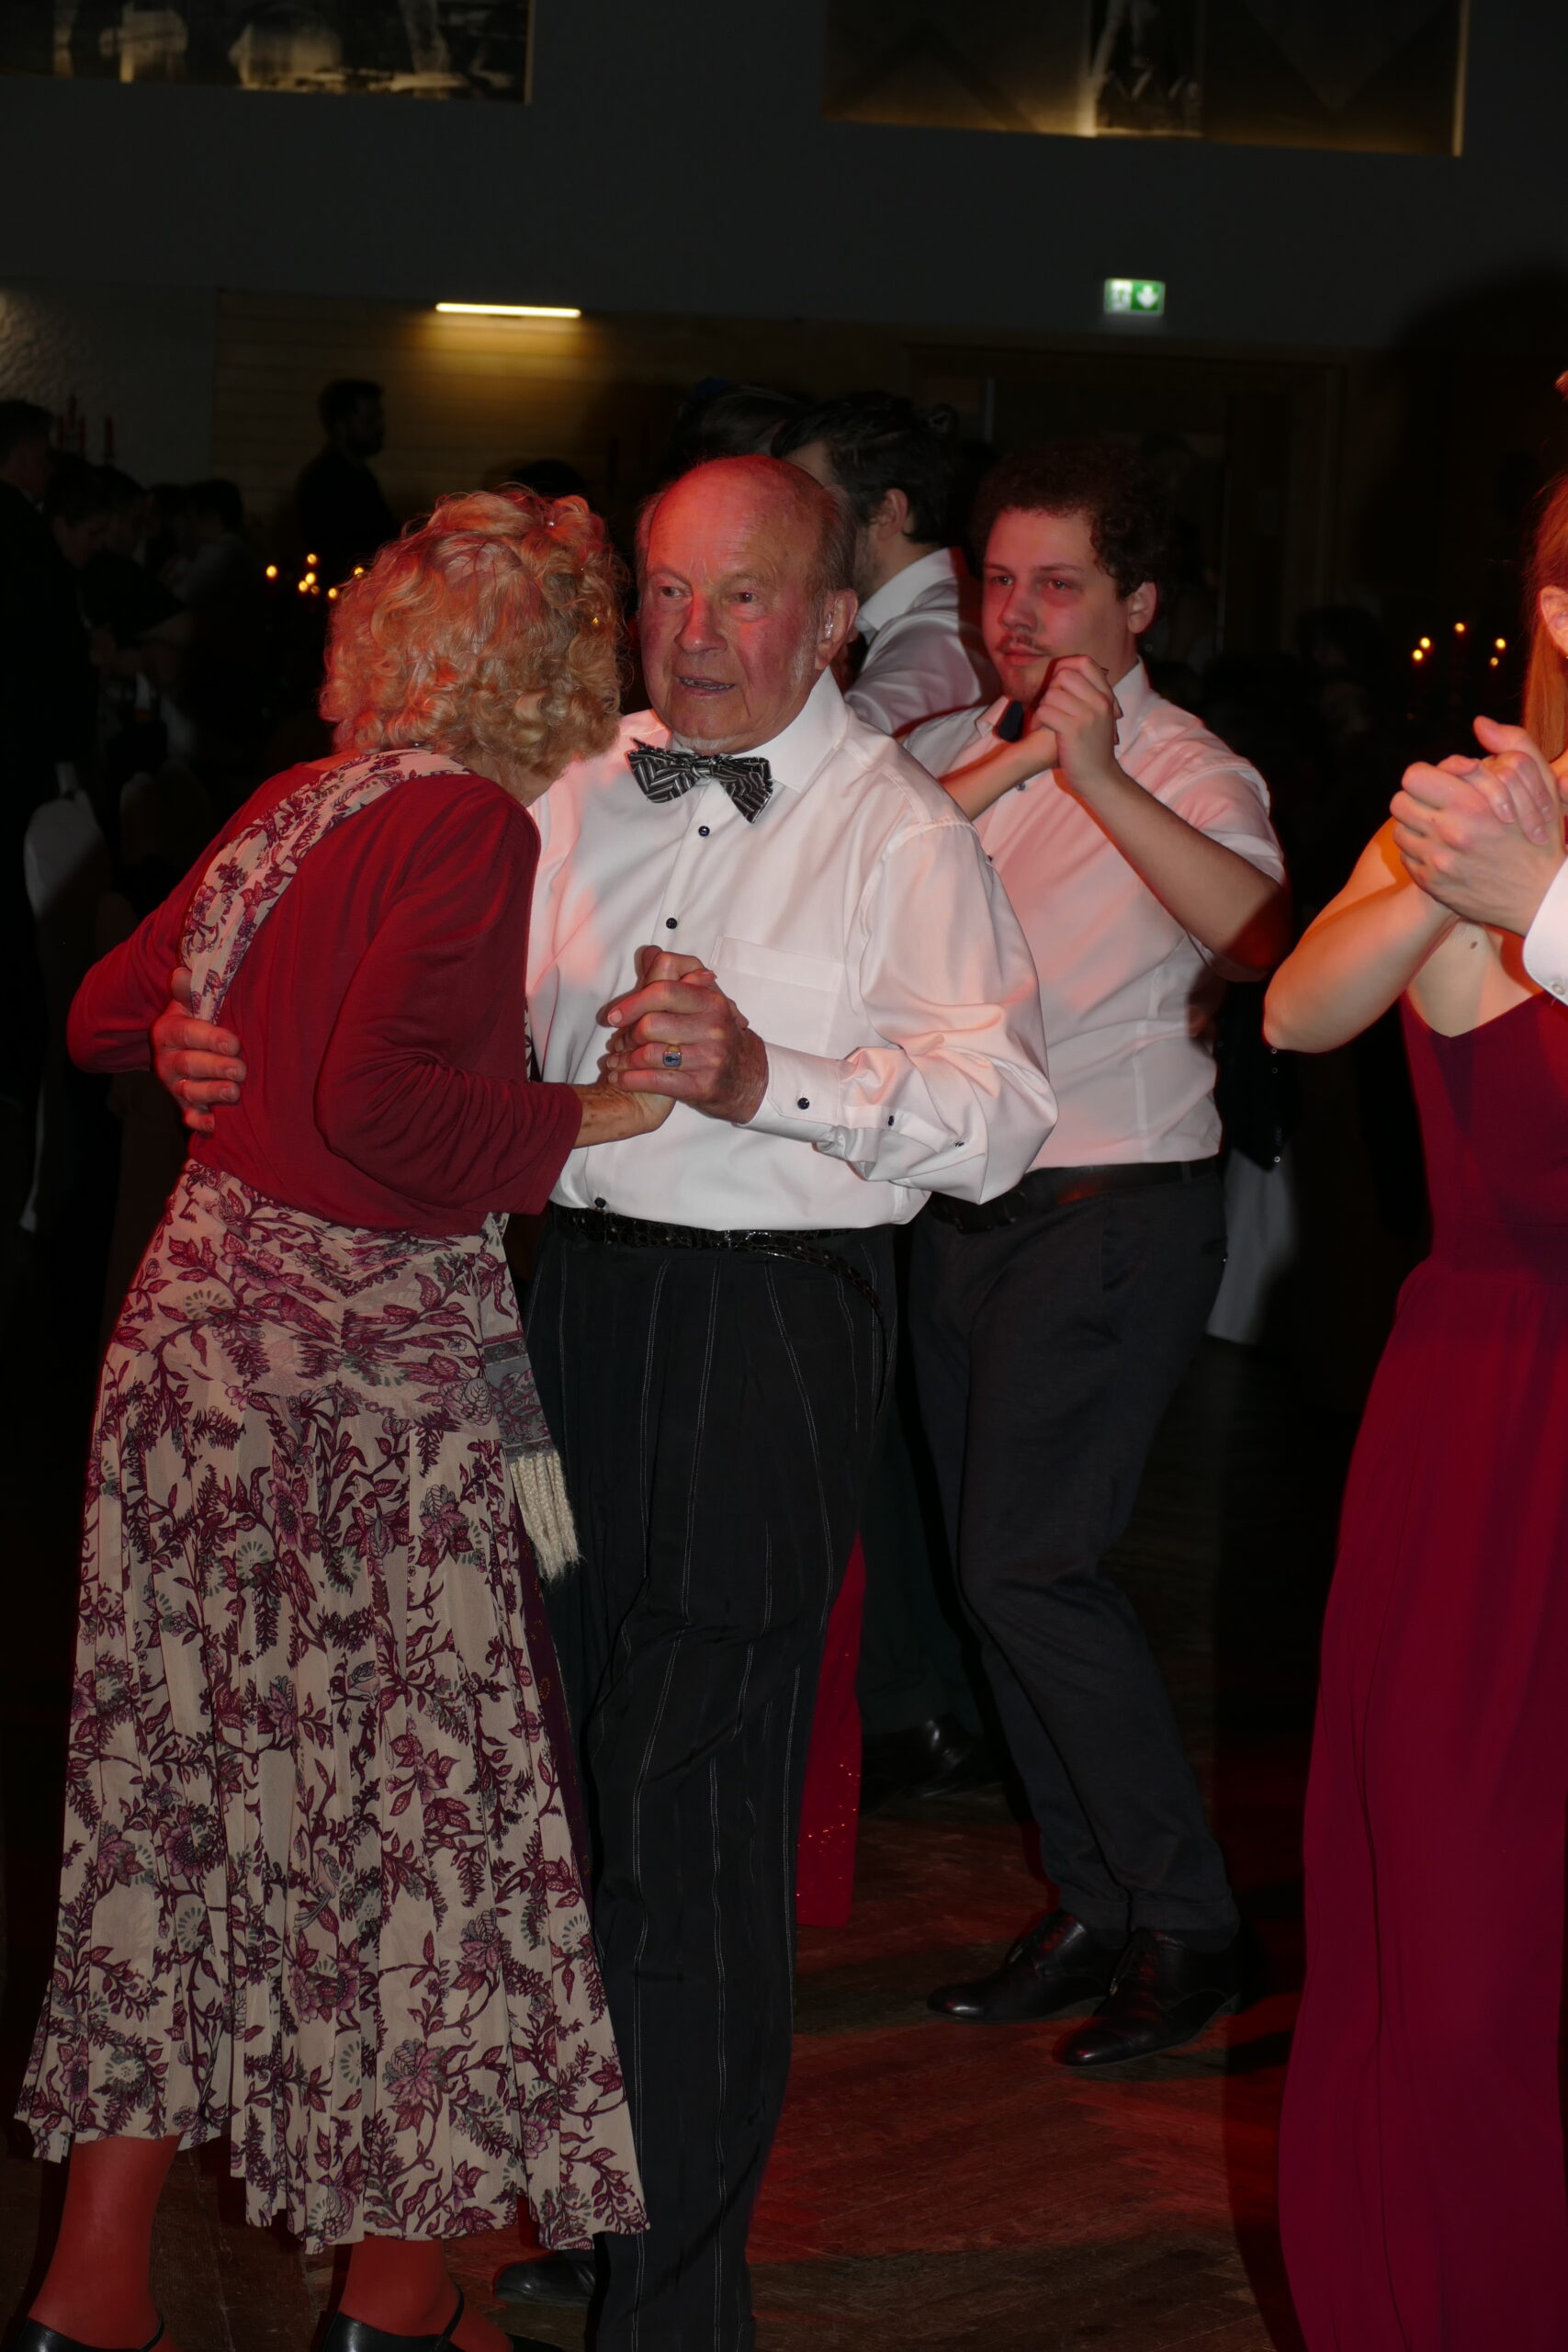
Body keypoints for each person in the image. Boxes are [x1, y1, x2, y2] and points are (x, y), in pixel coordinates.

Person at [157, 452, 1055, 2352]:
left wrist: (764, 1078)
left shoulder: (897, 831)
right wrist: (216, 1033)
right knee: (541, 1781)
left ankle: (676, 2302)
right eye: (663, 589)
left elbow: (1000, 1117)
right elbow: (402, 1009)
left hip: (762, 1338)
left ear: (832, 621)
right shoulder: (572, 790)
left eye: (743, 596)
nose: (693, 634)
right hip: (548, 1317)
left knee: (689, 1801)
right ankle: (596, 2194)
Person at [14, 488, 657, 2352]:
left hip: (187, 1366)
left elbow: (98, 1008)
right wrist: (589, 1116)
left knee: (167, 1809)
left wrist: (187, 1041)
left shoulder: (291, 803)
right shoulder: (465, 822)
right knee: (420, 1816)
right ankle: (395, 2290)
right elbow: (383, 1112)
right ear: (555, 672)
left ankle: (88, 2289)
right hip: (360, 1389)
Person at [902, 440, 1289, 2063]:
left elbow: (1258, 938)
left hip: (1110, 1204)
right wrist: (1010, 766)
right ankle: (1095, 1900)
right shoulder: (947, 747)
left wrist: (1097, 771)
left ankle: (1190, 1924)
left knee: (1028, 1568)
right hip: (957, 1208)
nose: (1014, 615)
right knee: (990, 1580)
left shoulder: (1191, 765)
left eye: (1055, 584)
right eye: (996, 580)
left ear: (1137, 604)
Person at [1269, 476, 1568, 2350]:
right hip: (1492, 1433)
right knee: (1453, 1951)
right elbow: (1296, 1011)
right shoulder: (1472, 812)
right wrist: (1450, 877)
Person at [775, 390, 996, 734]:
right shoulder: (937, 616)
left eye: (809, 505)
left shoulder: (939, 639)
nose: (782, 528)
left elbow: (834, 754)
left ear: (886, 512)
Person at [296, 377, 399, 587]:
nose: (380, 427)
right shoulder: (324, 481)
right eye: (369, 420)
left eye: (379, 418)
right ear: (341, 425)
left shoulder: (361, 476)